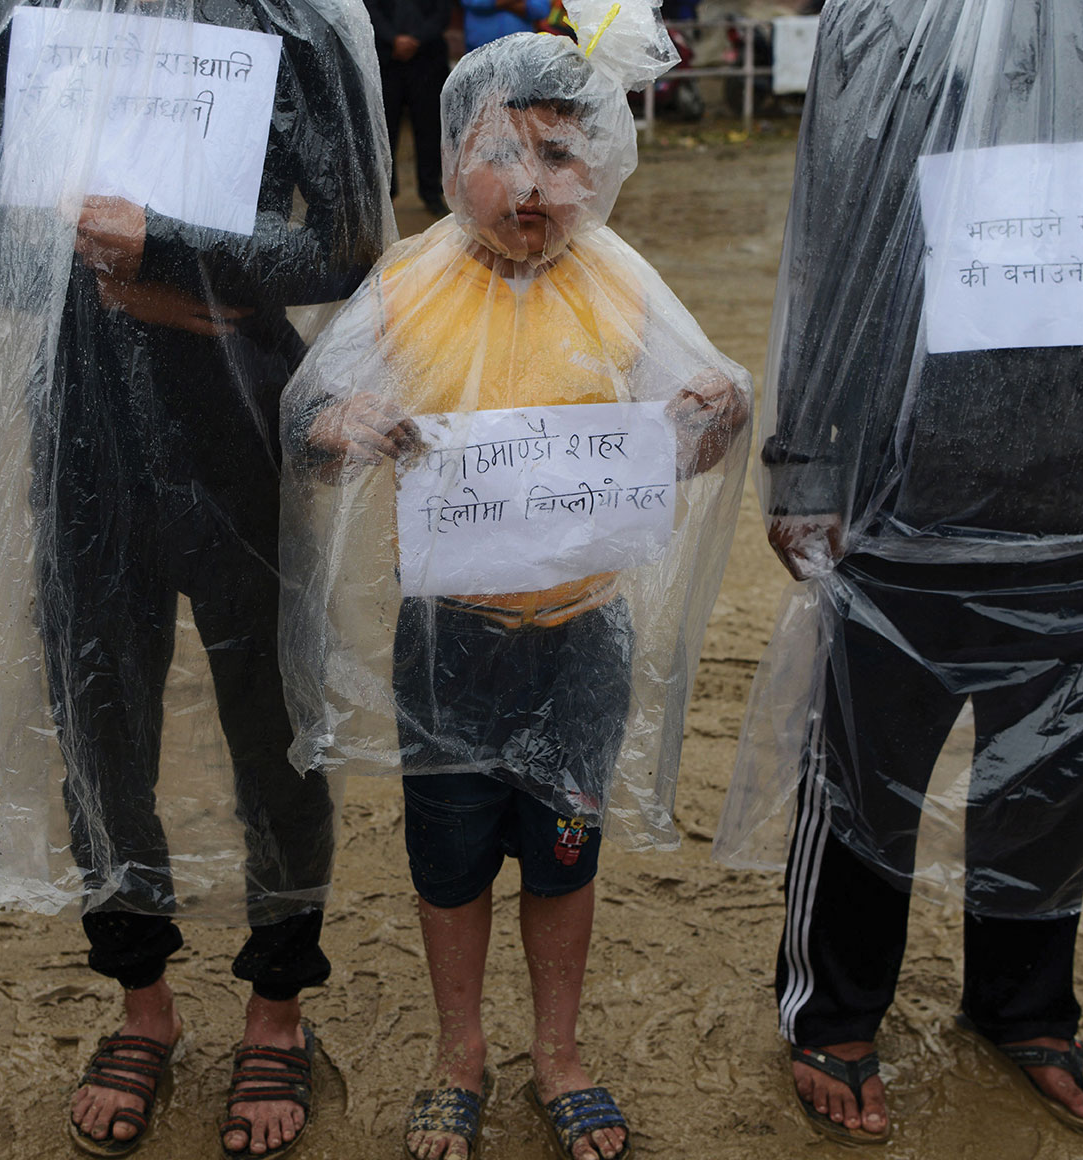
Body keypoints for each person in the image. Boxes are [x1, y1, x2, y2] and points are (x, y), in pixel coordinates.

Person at [0, 0, 392, 1155]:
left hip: (242, 423)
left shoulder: (291, 16)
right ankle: (142, 999)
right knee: (99, 729)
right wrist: (86, 239)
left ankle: (277, 1004)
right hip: (78, 426)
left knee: (274, 728)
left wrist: (165, 244)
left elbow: (343, 243)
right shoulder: (8, 19)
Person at [713, 0, 1083, 1145]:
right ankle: (837, 1011)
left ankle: (1024, 1001)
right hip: (908, 482)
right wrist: (809, 461)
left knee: (1062, 771)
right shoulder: (891, 17)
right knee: (867, 773)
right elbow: (838, 229)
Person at [281, 16, 750, 1159]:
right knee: (447, 861)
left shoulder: (618, 280)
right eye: (501, 153)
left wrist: (715, 417)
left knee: (564, 852)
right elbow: (307, 421)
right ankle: (459, 1054)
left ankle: (557, 1052)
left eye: (558, 154)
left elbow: (684, 440)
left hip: (581, 636)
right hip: (449, 638)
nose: (530, 186)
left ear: (600, 165)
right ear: (451, 161)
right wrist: (342, 422)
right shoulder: (409, 281)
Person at [365, 0, 452, 216]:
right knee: (384, 131)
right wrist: (393, 39)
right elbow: (370, 8)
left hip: (428, 59)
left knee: (430, 130)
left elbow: (443, 11)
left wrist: (416, 40)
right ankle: (386, 193)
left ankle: (431, 192)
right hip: (386, 60)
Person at [462, 0, 549, 50]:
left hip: (520, 50)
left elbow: (541, 10)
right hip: (480, 50)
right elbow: (472, 2)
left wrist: (498, 3)